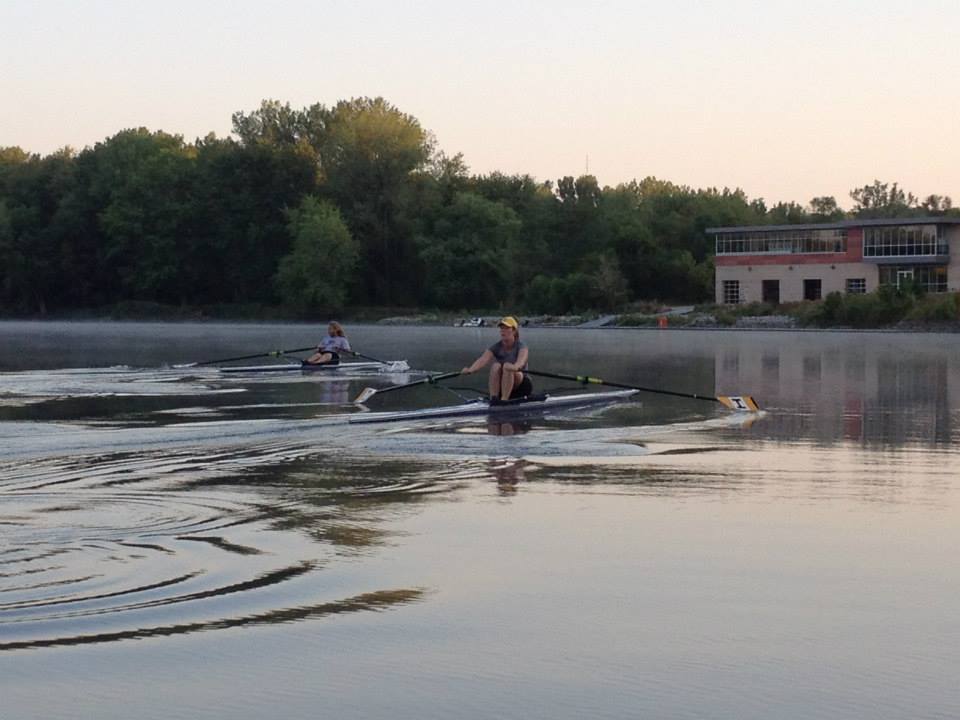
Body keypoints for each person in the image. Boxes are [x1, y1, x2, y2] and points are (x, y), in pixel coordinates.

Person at [461, 316, 533, 403]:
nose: (503, 330)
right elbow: (482, 360)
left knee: (507, 366)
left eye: (506, 328)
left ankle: (504, 400)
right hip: (504, 385)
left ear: (514, 331)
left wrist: (515, 367)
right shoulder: (497, 347)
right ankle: (494, 398)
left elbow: (521, 362)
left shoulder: (521, 346)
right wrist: (470, 370)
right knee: (496, 366)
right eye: (502, 328)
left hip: (522, 386)